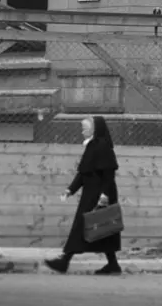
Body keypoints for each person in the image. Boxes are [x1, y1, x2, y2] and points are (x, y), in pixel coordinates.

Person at [45, 115, 123, 275]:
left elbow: (109, 174)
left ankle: (64, 261)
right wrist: (70, 190)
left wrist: (104, 196)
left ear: (95, 129)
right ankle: (113, 265)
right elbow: (83, 173)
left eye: (85, 128)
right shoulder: (92, 146)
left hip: (99, 195)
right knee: (103, 230)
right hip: (91, 193)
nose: (82, 131)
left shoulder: (102, 146)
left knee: (85, 226)